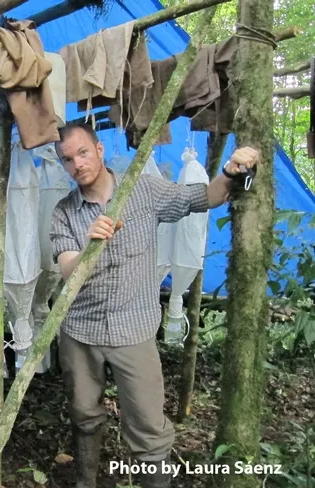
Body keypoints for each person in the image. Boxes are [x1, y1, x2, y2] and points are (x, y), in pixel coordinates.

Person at [49, 122, 259, 488]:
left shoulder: (142, 189)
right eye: (68, 159)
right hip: (80, 331)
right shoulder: (64, 211)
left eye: (83, 153)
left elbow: (201, 198)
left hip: (134, 328)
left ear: (99, 149)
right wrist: (89, 245)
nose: (77, 164)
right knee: (84, 413)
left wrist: (230, 172)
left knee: (147, 424)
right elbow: (68, 267)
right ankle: (85, 480)